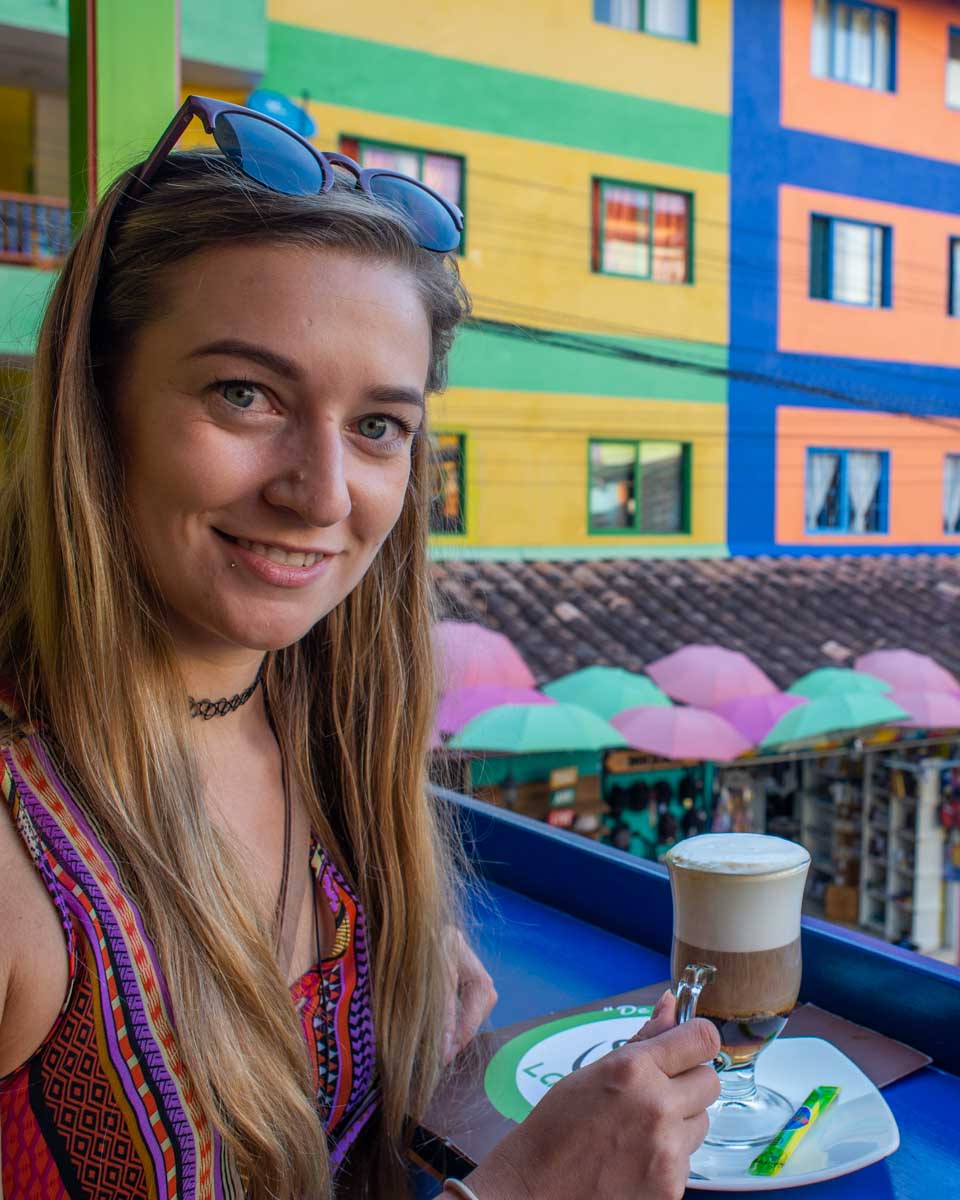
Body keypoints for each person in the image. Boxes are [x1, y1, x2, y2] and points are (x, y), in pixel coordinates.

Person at [0, 95, 720, 1199]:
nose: (322, 494)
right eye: (245, 395)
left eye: (379, 425)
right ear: (98, 405)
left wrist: (389, 946)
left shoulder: (321, 722)